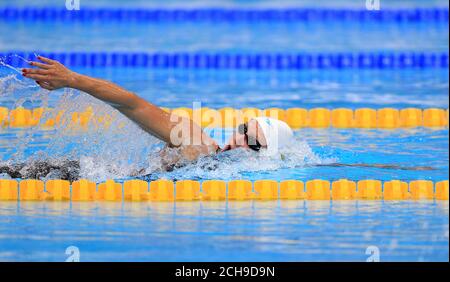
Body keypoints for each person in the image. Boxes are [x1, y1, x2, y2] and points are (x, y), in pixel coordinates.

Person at [3, 56, 431, 180]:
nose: (241, 140)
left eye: (255, 142)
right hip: (67, 175)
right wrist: (74, 79)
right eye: (245, 129)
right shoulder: (199, 143)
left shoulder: (222, 170)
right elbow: (132, 104)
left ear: (266, 159)